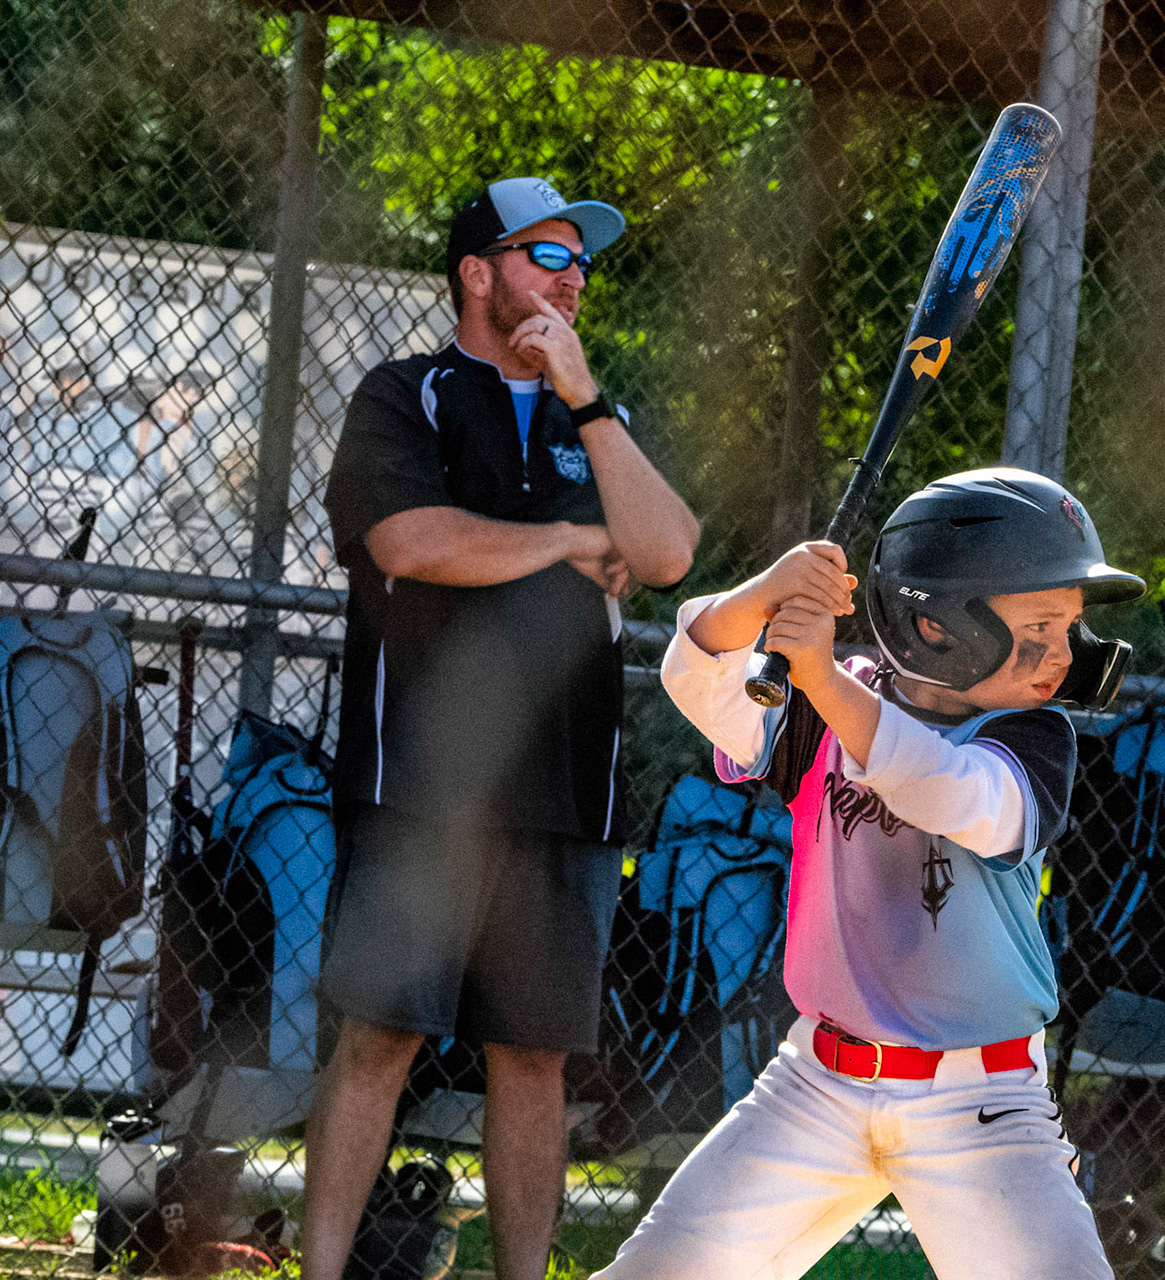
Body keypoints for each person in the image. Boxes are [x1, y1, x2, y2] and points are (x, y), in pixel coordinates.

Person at [595, 468, 1141, 1280]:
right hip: (817, 1086)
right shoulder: (828, 703)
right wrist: (770, 592)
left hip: (983, 1103)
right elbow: (696, 673)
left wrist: (817, 677)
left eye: (1068, 626)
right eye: (1039, 625)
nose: (1063, 654)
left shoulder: (1031, 734)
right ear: (937, 624)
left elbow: (957, 795)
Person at [307, 177, 700, 1280]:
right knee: (380, 1035)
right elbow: (411, 541)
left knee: (536, 1058)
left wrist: (586, 399)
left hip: (565, 785)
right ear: (477, 273)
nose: (573, 278)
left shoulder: (596, 414)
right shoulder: (407, 395)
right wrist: (568, 544)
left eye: (581, 261)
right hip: (422, 784)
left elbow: (668, 551)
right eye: (545, 255)